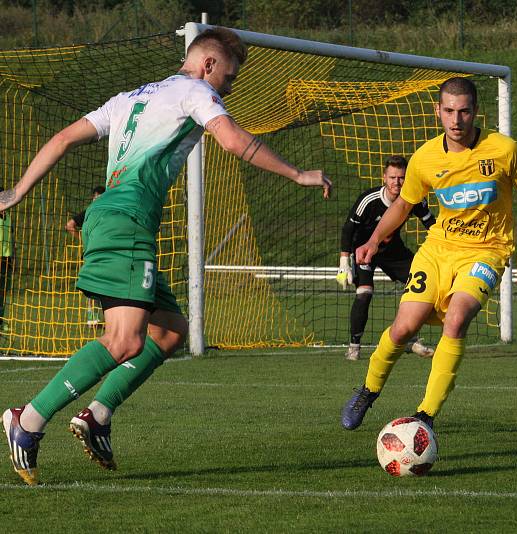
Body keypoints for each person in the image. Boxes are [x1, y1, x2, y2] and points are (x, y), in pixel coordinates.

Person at [1, 27, 331, 486]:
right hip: (129, 222)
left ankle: (96, 415)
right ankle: (29, 419)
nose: (229, 89)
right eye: (229, 78)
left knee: (171, 331)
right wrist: (298, 174)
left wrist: (16, 192)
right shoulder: (195, 90)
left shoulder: (126, 98)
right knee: (125, 341)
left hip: (110, 218)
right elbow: (234, 141)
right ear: (208, 64)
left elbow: (61, 139)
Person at [340, 76, 517, 431]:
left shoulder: (504, 150)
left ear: (476, 111)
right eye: (449, 111)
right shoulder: (425, 158)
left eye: (464, 112)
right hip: (438, 250)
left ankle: (425, 417)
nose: (456, 120)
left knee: (457, 318)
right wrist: (372, 241)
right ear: (438, 111)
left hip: (487, 252)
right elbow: (403, 204)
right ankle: (368, 391)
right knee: (403, 328)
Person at [337, 155, 437, 361]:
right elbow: (348, 229)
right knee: (364, 293)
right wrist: (344, 263)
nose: (397, 182)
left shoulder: (414, 198)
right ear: (384, 177)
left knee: (421, 284)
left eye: (401, 178)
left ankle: (409, 338)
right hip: (364, 251)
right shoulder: (369, 200)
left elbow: (432, 226)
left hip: (393, 251)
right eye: (392, 177)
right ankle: (354, 347)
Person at [66, 185, 106, 327]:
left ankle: (104, 317)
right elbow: (70, 225)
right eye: (96, 197)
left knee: (103, 285)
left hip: (104, 253)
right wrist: (85, 241)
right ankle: (92, 317)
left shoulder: (105, 212)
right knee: (93, 284)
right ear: (93, 198)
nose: (98, 200)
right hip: (93, 254)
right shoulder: (89, 212)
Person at [0, 191, 12, 334]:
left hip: (6, 257)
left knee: (3, 293)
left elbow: (10, 235)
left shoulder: (7, 216)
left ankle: (1, 321)